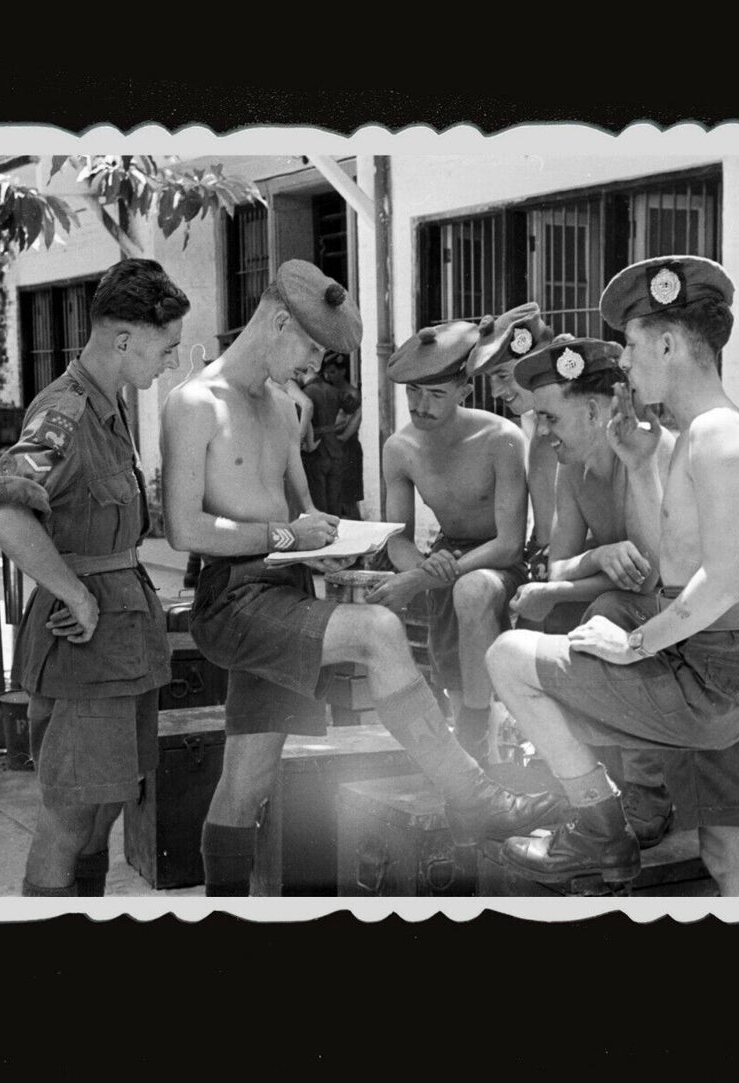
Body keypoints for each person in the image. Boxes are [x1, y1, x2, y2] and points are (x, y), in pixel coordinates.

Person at [162, 260, 564, 897]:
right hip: (232, 598)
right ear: (277, 321)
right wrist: (286, 538)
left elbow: (303, 516)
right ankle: (471, 796)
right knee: (378, 632)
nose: (316, 370)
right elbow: (183, 528)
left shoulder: (283, 407)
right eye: (313, 350)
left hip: (286, 594)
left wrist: (336, 544)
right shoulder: (193, 404)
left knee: (247, 780)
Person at [486, 256, 739, 895]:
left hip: (714, 674)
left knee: (511, 657)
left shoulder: (721, 439)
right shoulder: (704, 434)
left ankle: (599, 829)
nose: (624, 362)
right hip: (722, 665)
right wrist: (643, 466)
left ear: (669, 343)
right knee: (728, 847)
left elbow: (726, 578)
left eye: (631, 345)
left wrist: (634, 646)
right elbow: (673, 562)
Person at [0, 258, 187, 897]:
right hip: (83, 649)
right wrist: (73, 592)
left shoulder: (111, 407)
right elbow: (6, 512)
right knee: (68, 819)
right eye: (166, 348)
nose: (171, 364)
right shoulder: (64, 412)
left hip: (120, 645)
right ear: (123, 339)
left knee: (103, 811)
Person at [502, 337, 680, 847]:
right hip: (631, 599)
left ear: (596, 410)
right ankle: (587, 781)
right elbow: (559, 562)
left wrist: (568, 584)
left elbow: (650, 575)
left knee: (604, 611)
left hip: (682, 610)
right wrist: (597, 558)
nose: (543, 432)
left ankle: (647, 793)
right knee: (552, 613)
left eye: (552, 418)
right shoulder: (571, 468)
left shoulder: (650, 454)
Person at [364, 321, 531, 767]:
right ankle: (474, 758)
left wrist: (423, 576)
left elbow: (511, 543)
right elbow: (395, 536)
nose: (421, 406)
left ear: (464, 390)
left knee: (471, 590)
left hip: (499, 564)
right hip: (443, 560)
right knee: (455, 684)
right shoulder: (400, 449)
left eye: (436, 395)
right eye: (413, 393)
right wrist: (419, 566)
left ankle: (478, 734)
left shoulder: (501, 440)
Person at [463, 303, 561, 581]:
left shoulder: (579, 419)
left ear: (534, 363)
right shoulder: (533, 422)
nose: (494, 392)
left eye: (502, 375)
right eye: (491, 379)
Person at [300, 352, 360, 516]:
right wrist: (343, 429)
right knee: (335, 504)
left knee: (319, 504)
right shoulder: (334, 391)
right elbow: (356, 407)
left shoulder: (303, 394)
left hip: (315, 452)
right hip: (335, 450)